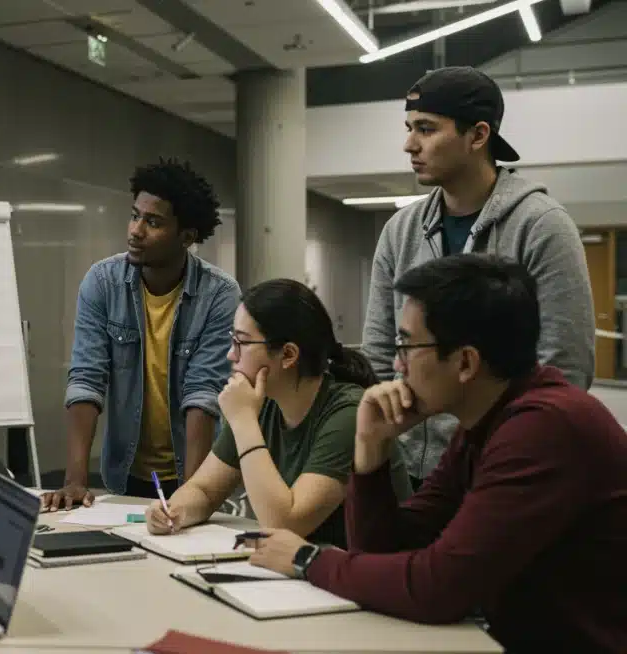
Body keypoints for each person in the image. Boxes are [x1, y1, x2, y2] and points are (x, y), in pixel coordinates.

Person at [249, 254, 627, 654]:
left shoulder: (544, 428)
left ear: (465, 362)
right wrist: (371, 448)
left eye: (406, 346)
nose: (396, 365)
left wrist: (308, 560)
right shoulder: (486, 422)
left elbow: (439, 587)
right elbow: (389, 550)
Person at [363, 66, 594, 488]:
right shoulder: (400, 231)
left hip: (508, 465)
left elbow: (566, 364)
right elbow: (379, 352)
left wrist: (512, 450)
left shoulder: (541, 226)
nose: (409, 144)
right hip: (411, 468)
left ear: (478, 135)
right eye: (410, 128)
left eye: (426, 129)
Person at [144, 279, 411, 548]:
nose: (230, 355)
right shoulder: (263, 403)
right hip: (308, 564)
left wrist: (243, 421)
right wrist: (173, 511)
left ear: (288, 355)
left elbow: (286, 523)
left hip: (370, 568)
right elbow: (204, 490)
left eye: (241, 342)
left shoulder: (349, 414)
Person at [42, 158, 240, 508]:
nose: (136, 230)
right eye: (135, 216)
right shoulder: (102, 282)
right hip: (126, 471)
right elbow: (87, 377)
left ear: (187, 237)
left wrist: (191, 497)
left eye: (153, 222)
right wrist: (74, 482)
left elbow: (203, 394)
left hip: (195, 471)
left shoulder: (219, 295)